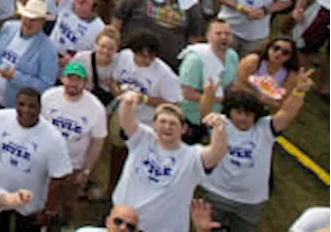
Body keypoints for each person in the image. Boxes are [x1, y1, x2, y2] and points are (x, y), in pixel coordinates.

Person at [199, 72, 315, 232]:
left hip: (251, 201)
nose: (243, 118)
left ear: (256, 115)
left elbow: (287, 113)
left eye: (248, 114)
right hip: (216, 193)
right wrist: (208, 95)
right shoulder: (220, 124)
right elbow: (205, 113)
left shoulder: (266, 128)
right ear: (229, 112)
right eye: (238, 112)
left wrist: (299, 92)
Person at [110, 90, 229, 232]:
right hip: (123, 224)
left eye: (173, 123)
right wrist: (128, 102)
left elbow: (217, 153)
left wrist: (219, 129)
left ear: (183, 129)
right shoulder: (143, 138)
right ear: (154, 124)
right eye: (162, 122)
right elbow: (126, 121)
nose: (167, 127)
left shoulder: (192, 156)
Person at [0, 87, 72, 231]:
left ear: (40, 108)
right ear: (15, 104)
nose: (26, 110)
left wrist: (48, 210)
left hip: (31, 204)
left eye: (32, 106)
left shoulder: (54, 139)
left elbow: (58, 178)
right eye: (21, 104)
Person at [40, 62, 107, 222]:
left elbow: (98, 142)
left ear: (85, 83)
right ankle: (45, 219)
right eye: (70, 78)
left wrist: (86, 171)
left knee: (69, 200)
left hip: (74, 164)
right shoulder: (48, 97)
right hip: (47, 159)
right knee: (45, 195)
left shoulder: (96, 108)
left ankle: (66, 222)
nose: (73, 84)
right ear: (63, 79)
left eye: (79, 80)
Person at [114, 0, 205, 66]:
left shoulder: (191, 3)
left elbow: (195, 36)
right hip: (132, 57)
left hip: (168, 64)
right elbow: (118, 18)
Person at [0, 0, 58, 109]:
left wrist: (15, 76)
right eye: (26, 17)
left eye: (33, 20)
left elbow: (45, 86)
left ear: (42, 22)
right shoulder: (8, 28)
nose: (28, 22)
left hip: (16, 106)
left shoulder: (48, 50)